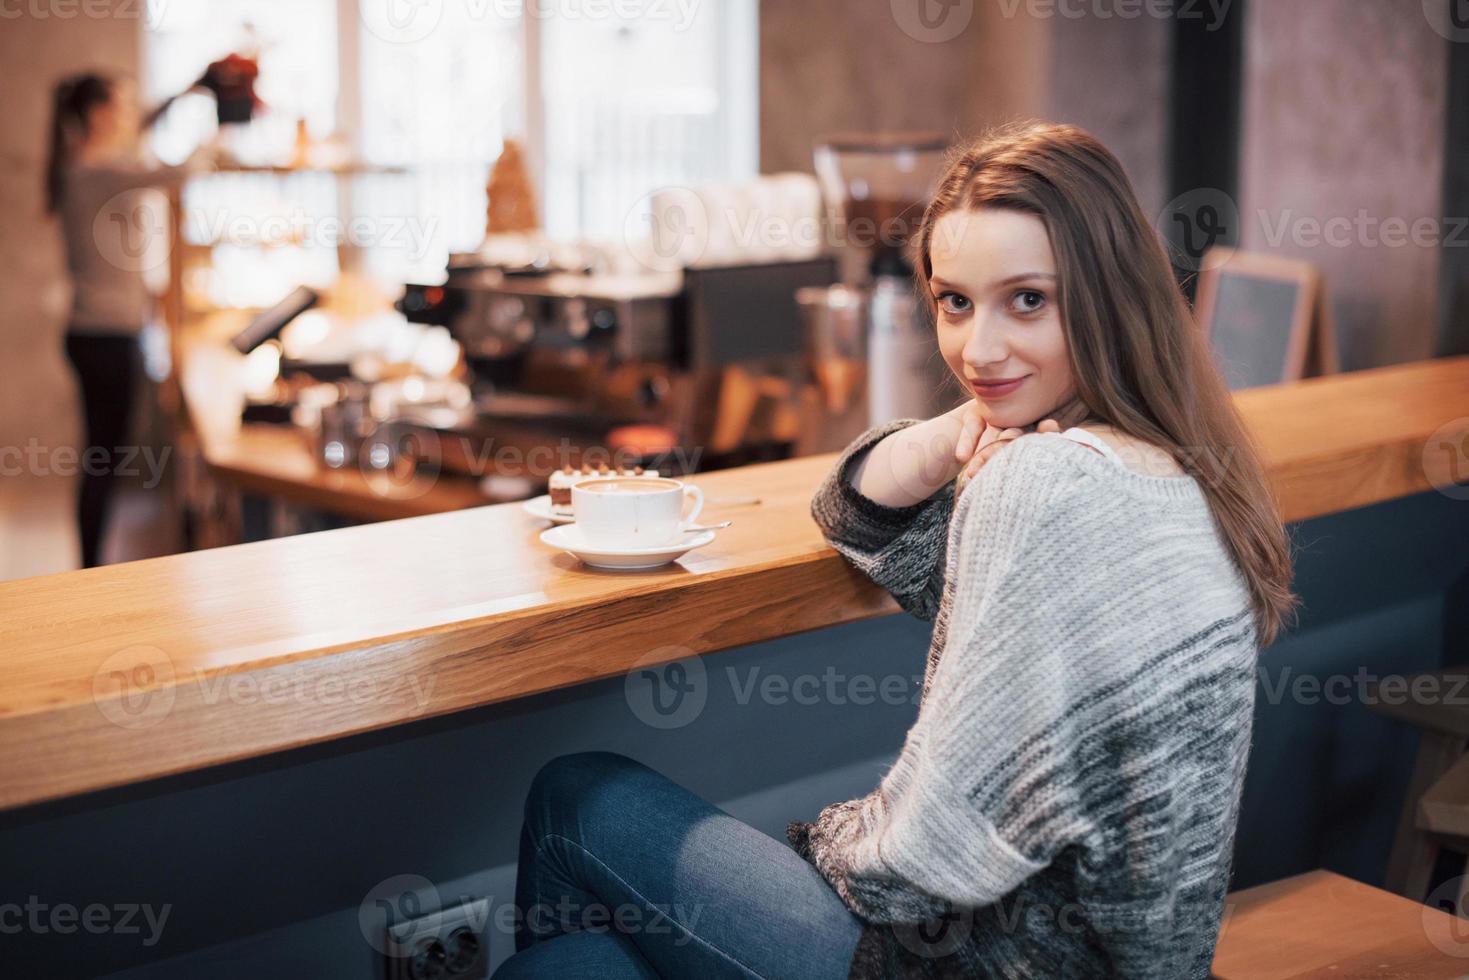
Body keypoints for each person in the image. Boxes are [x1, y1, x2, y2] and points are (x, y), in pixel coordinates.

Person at [492, 121, 1299, 979]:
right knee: (574, 968)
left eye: (1027, 299)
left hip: (971, 963)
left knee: (573, 796)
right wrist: (964, 428)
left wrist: (817, 844)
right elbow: (859, 519)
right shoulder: (1177, 466)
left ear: (1106, 297)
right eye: (954, 301)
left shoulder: (1045, 484)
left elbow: (923, 858)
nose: (977, 350)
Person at [45, 71, 213, 567]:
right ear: (98, 114)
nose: (126, 116)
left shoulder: (86, 167)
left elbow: (142, 127)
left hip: (99, 334)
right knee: (103, 460)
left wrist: (190, 88)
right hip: (105, 337)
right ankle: (89, 567)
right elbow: (181, 173)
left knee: (104, 456)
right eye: (118, 106)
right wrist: (215, 130)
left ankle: (90, 561)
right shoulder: (96, 173)